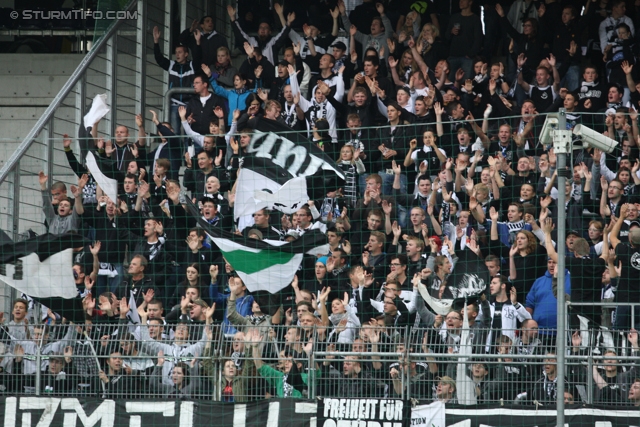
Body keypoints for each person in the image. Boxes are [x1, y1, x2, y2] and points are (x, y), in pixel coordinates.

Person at [153, 26, 202, 136]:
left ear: (186, 54)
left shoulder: (191, 65)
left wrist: (198, 43)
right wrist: (156, 42)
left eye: (180, 52)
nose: (177, 54)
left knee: (188, 132)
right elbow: (159, 58)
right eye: (176, 52)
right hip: (174, 104)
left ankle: (187, 153)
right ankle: (177, 153)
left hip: (189, 104)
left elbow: (198, 58)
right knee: (174, 131)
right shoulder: (171, 65)